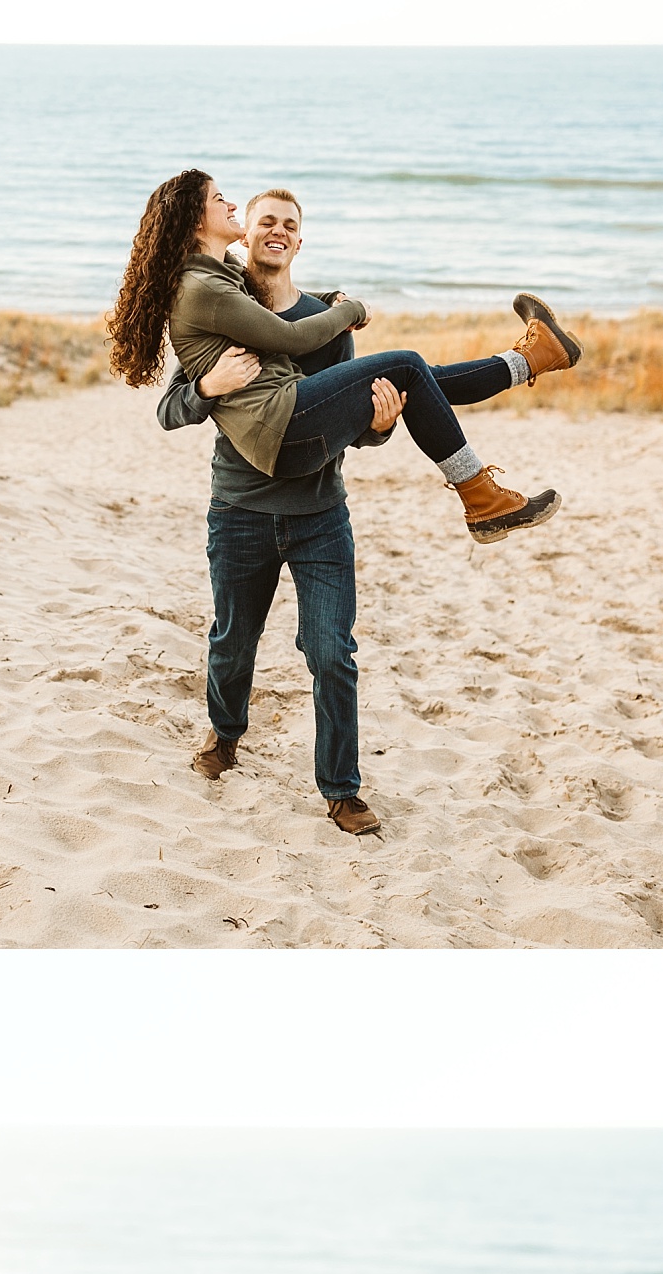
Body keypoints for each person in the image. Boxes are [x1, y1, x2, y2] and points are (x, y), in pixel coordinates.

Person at [111, 170, 578, 833]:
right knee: (231, 643)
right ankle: (224, 735)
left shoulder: (314, 315)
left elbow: (358, 425)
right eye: (261, 217)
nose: (270, 226)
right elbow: (169, 406)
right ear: (242, 238)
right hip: (241, 507)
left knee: (332, 653)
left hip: (318, 510)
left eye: (288, 223)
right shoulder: (222, 295)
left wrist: (382, 424)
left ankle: (341, 789)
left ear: (300, 241)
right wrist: (209, 384)